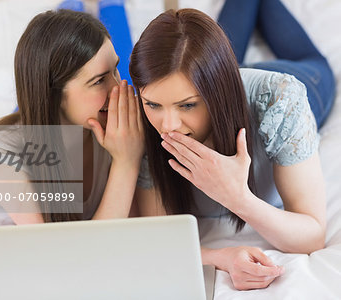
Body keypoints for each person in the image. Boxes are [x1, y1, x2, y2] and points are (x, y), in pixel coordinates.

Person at [129, 0, 335, 291]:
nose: (168, 125)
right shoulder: (145, 121)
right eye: (153, 104)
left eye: (186, 106)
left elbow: (312, 237)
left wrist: (238, 197)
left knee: (313, 61)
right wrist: (221, 257)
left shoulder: (281, 101)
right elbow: (160, 239)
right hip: (216, 76)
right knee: (197, 59)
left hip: (293, 79)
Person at [0, 10, 149, 241]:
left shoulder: (117, 128)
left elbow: (139, 227)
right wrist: (126, 162)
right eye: (98, 81)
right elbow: (58, 252)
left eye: (115, 70)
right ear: (53, 95)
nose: (117, 88)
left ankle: (108, 7)